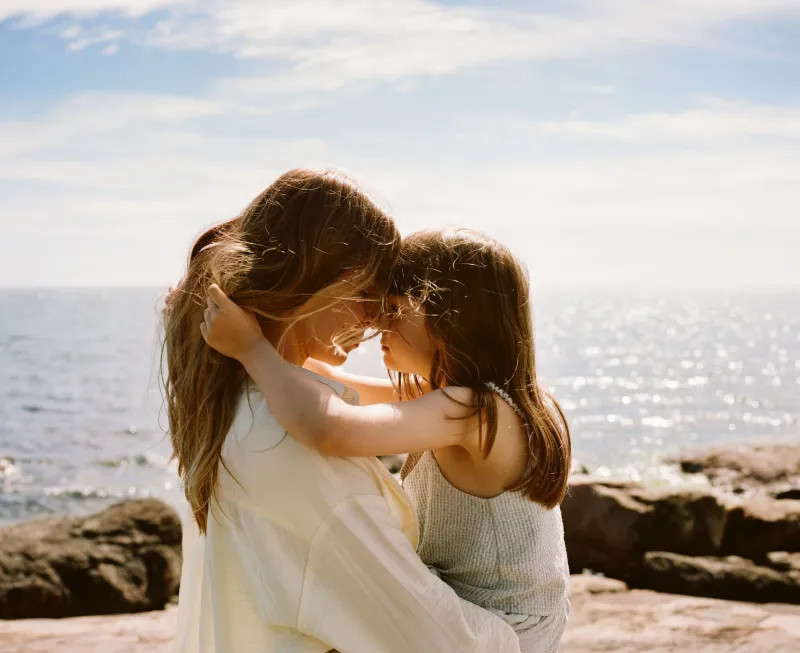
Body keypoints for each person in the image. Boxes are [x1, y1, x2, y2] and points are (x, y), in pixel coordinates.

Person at [164, 170, 522, 653]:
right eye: (369, 291)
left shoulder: (233, 407)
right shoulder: (290, 444)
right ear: (314, 278)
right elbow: (440, 643)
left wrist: (254, 347)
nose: (378, 318)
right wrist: (516, 638)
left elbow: (329, 393)